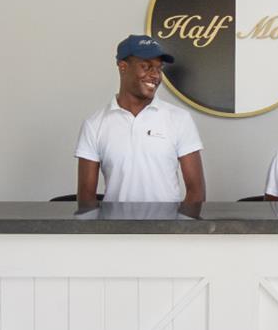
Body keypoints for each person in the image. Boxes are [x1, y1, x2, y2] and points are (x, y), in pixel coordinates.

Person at [76, 34, 206, 203]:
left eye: (159, 68)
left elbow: (196, 191)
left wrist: (180, 228)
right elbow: (86, 197)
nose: (155, 75)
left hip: (167, 228)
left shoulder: (179, 119)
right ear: (123, 67)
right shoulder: (94, 125)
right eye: (146, 66)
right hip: (116, 228)